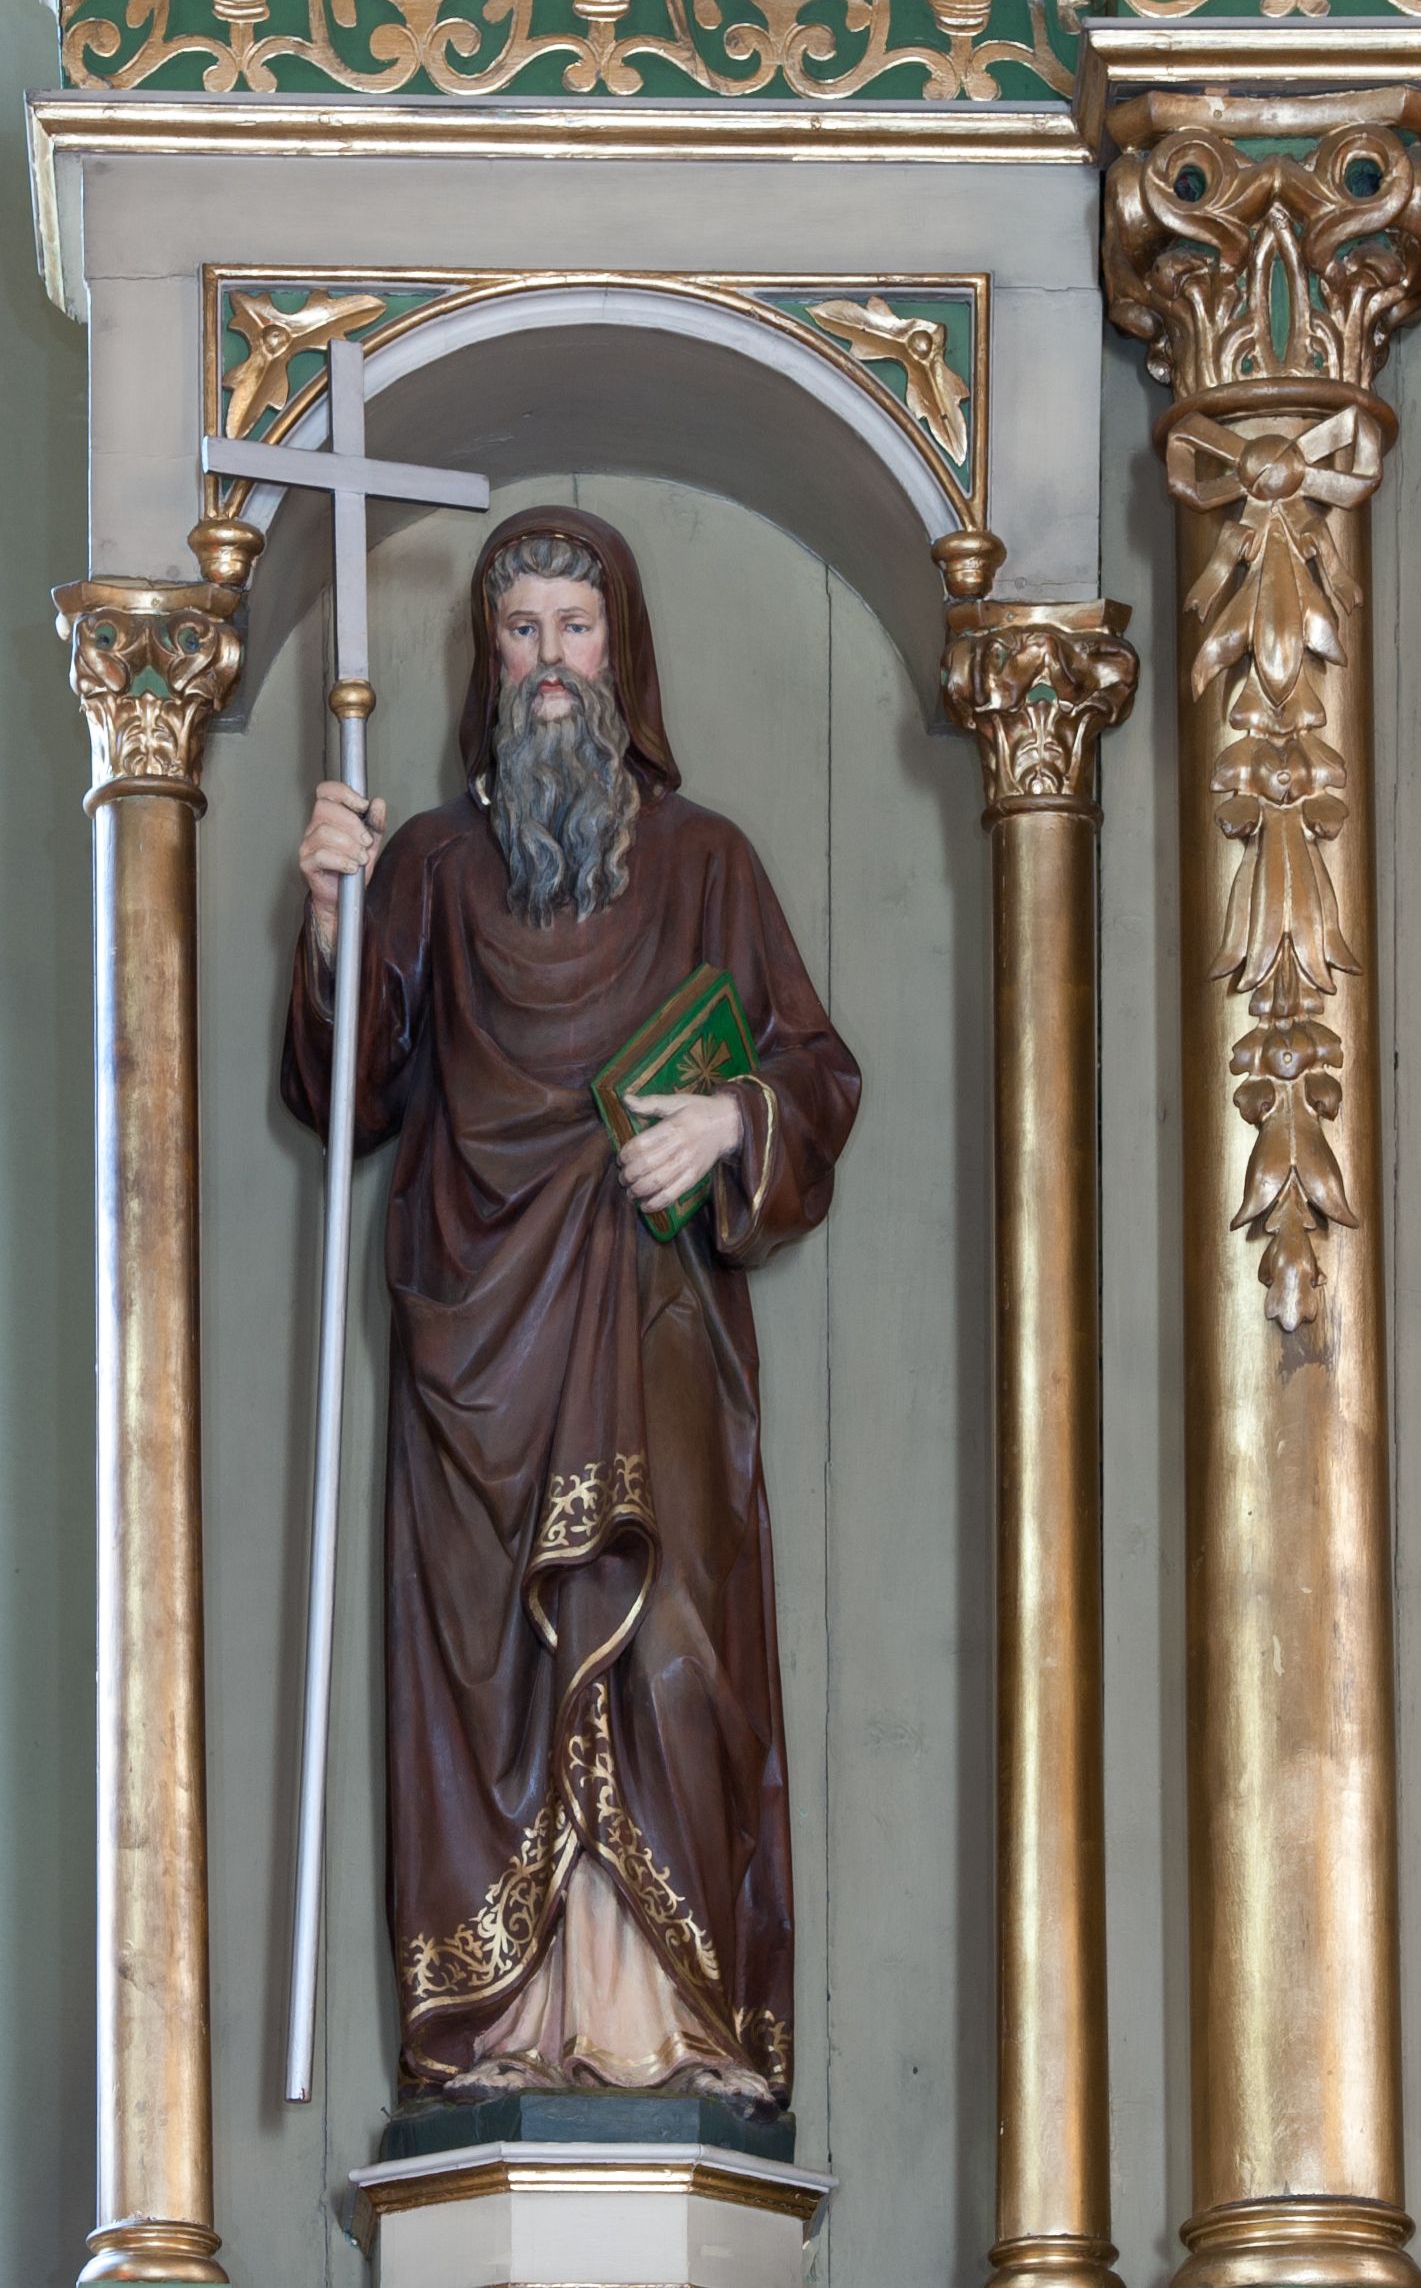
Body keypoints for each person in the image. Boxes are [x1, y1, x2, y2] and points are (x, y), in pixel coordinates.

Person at [283, 506, 859, 2107]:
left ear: (624, 652)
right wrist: (331, 926)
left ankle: (677, 2028)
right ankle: (503, 2035)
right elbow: (350, 1097)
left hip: (657, 1335)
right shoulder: (428, 867)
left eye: (576, 628)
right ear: (492, 654)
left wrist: (733, 1119)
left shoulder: (706, 863)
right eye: (523, 628)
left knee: (672, 1648)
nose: (550, 661)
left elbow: (817, 1073)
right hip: (478, 1345)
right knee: (491, 1682)